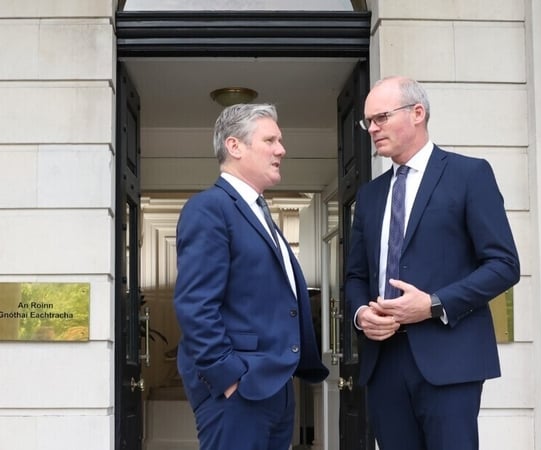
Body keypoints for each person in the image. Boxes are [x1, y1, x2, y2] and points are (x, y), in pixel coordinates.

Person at [344, 76, 520, 450]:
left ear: (417, 113)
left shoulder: (469, 175)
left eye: (381, 118)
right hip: (384, 362)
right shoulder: (370, 195)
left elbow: (504, 264)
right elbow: (356, 275)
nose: (372, 129)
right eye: (368, 121)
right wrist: (361, 313)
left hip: (450, 360)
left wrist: (433, 304)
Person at [173, 103, 329, 450]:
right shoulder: (210, 208)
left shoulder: (258, 213)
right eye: (270, 140)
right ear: (234, 146)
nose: (281, 150)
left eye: (280, 141)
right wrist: (227, 376)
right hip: (238, 392)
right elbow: (196, 305)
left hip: (274, 387)